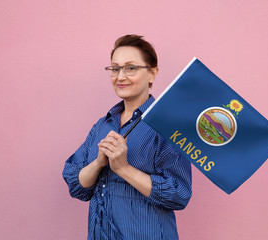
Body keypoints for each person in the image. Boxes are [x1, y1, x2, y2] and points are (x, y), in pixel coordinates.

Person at [62, 34, 192, 240]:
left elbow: (178, 194)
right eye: (115, 69)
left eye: (130, 68)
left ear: (152, 73)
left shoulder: (167, 127)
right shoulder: (103, 125)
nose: (120, 76)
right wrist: (97, 163)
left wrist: (123, 168)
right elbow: (77, 186)